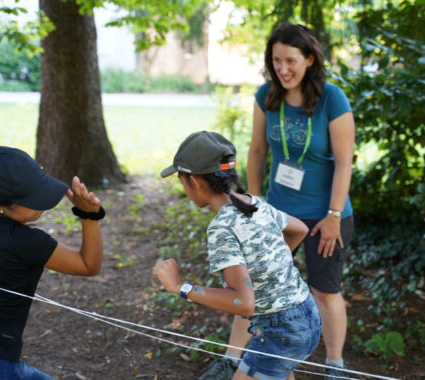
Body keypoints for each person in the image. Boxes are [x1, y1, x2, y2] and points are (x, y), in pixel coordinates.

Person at [199, 22, 355, 380]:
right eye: (276, 60)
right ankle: (233, 359)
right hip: (278, 211)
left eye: (291, 60)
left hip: (324, 214)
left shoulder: (332, 98)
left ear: (310, 59)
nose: (283, 69)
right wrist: (251, 205)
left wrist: (333, 215)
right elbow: (256, 151)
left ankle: (335, 365)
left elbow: (345, 162)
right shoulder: (266, 96)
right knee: (253, 285)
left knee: (325, 290)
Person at [152, 131, 321, 380]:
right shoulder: (256, 203)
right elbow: (300, 229)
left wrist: (180, 286)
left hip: (279, 332)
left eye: (182, 180)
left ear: (195, 182)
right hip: (307, 314)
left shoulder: (222, 227)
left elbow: (243, 303)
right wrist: (271, 265)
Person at [0, 146, 105, 379]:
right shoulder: (25, 242)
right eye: (29, 198)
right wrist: (89, 215)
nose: (41, 204)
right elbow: (88, 265)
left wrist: (2, 166)